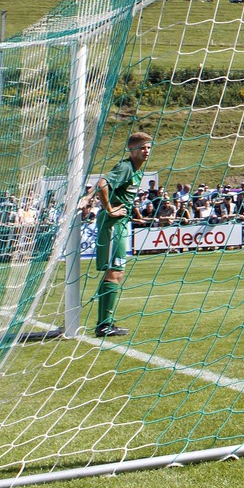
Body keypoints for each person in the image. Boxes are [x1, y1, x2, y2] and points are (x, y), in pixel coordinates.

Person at [77, 131, 153, 337]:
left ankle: (105, 323)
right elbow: (102, 183)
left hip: (119, 223)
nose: (146, 151)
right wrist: (109, 208)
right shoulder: (126, 167)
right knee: (114, 272)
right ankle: (103, 325)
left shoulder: (135, 171)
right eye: (142, 148)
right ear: (132, 150)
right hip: (113, 224)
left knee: (116, 272)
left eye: (148, 147)